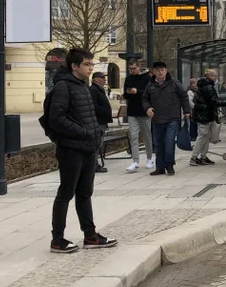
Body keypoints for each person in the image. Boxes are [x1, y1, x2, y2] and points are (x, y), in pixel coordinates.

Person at [47, 49, 117, 254]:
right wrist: (85, 132)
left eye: (91, 64)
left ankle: (90, 236)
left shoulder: (82, 86)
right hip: (71, 150)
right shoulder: (63, 87)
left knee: (85, 193)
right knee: (65, 194)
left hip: (87, 148)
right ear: (74, 66)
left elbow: (87, 115)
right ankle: (57, 240)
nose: (91, 68)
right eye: (87, 64)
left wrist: (92, 136)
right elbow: (56, 119)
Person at [142, 61, 191, 176]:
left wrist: (187, 111)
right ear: (153, 72)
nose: (160, 72)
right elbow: (144, 99)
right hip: (157, 119)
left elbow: (184, 96)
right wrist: (147, 108)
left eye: (162, 70)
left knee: (169, 141)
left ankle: (169, 165)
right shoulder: (150, 85)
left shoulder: (173, 83)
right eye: (158, 70)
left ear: (166, 71)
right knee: (158, 143)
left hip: (172, 118)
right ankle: (160, 167)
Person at [123, 59, 154, 172]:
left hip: (144, 111)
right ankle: (135, 161)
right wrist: (128, 92)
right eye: (130, 69)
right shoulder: (129, 78)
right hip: (132, 111)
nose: (132, 71)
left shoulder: (147, 78)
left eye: (134, 68)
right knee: (134, 136)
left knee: (146, 136)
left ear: (139, 67)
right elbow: (125, 94)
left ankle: (149, 158)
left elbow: (150, 93)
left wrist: (138, 92)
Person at [190, 69, 221, 166]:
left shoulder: (204, 85)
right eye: (215, 76)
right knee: (202, 136)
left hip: (205, 115)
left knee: (205, 136)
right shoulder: (208, 87)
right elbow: (213, 101)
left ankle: (203, 157)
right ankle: (194, 158)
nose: (216, 78)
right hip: (204, 115)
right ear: (210, 76)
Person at [90, 70, 113, 173]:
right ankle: (93, 165)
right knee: (96, 144)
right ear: (96, 79)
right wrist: (104, 112)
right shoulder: (94, 90)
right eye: (103, 78)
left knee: (98, 143)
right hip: (98, 121)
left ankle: (94, 164)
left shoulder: (100, 89)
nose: (105, 80)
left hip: (102, 121)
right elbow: (93, 105)